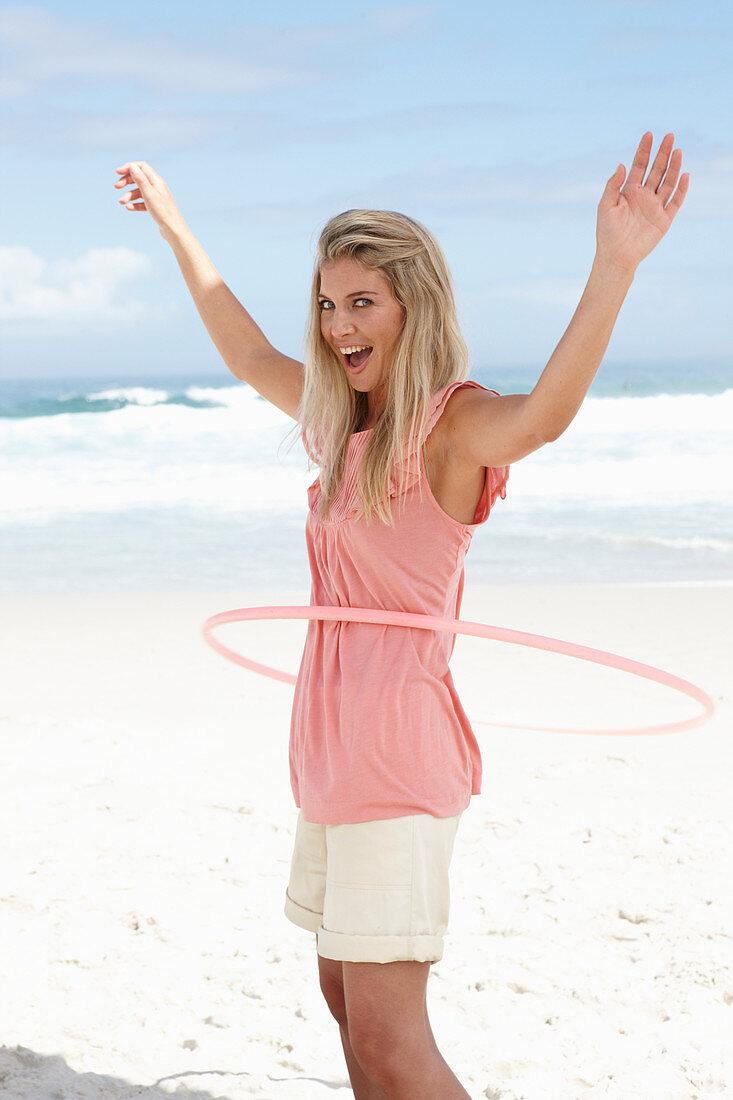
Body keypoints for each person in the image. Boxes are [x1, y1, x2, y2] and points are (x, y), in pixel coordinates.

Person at [114, 133, 688, 1098]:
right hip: (329, 752)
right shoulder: (342, 421)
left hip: (396, 756)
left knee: (388, 1041)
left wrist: (613, 265)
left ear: (411, 304)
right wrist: (176, 228)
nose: (339, 324)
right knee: (346, 1003)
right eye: (329, 303)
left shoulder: (452, 427)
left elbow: (542, 416)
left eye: (362, 302)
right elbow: (248, 349)